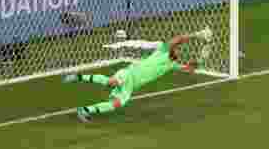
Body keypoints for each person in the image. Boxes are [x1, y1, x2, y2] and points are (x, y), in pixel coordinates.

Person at [64, 35, 198, 122]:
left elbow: (188, 69)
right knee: (111, 82)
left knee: (117, 103)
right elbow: (176, 40)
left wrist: (194, 64)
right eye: (176, 49)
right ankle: (77, 76)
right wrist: (191, 36)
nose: (177, 51)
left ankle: (85, 110)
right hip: (129, 74)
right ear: (172, 50)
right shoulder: (161, 51)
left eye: (178, 51)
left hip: (131, 86)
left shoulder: (171, 65)